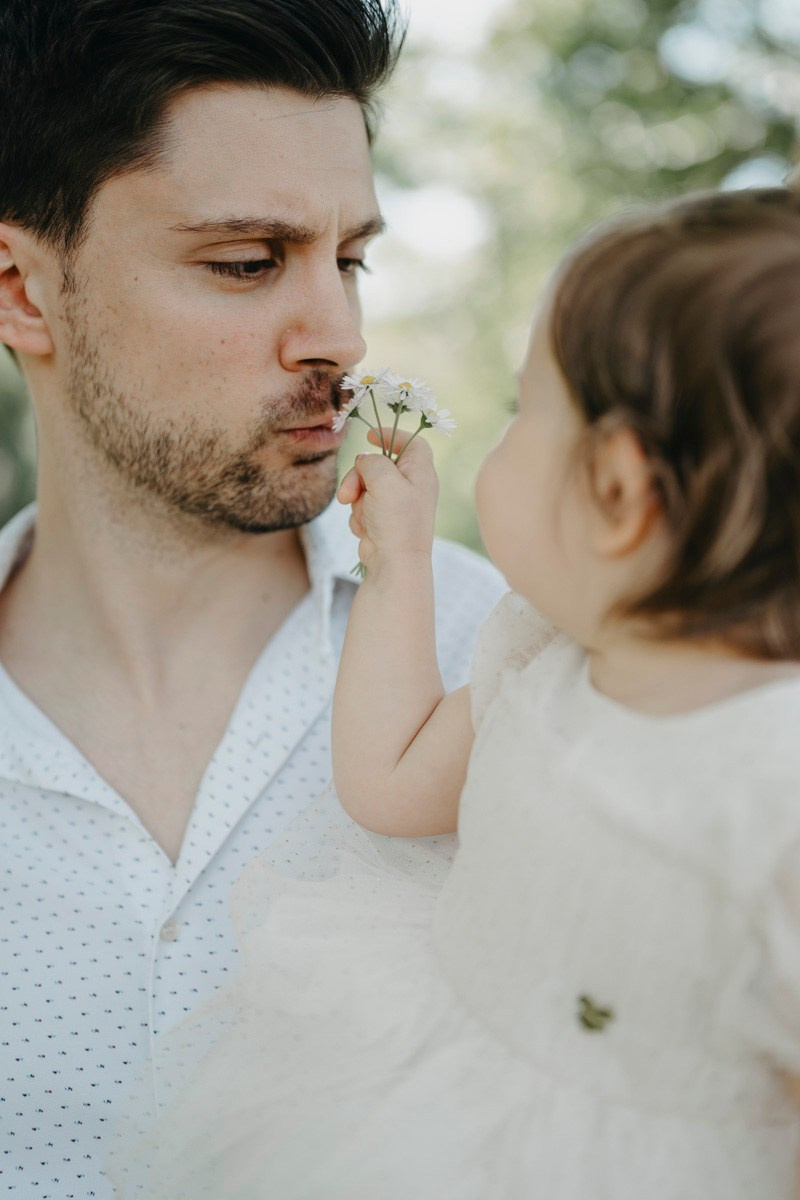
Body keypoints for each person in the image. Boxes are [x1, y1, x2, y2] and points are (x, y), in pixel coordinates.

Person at [110, 186, 800, 1198]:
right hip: (415, 1114)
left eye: (530, 409)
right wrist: (395, 567)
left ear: (615, 491)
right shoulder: (550, 654)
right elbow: (390, 784)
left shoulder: (770, 788)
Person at [0, 3, 506, 1196]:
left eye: (349, 258)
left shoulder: (494, 662)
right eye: (244, 262)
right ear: (23, 290)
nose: (340, 333)